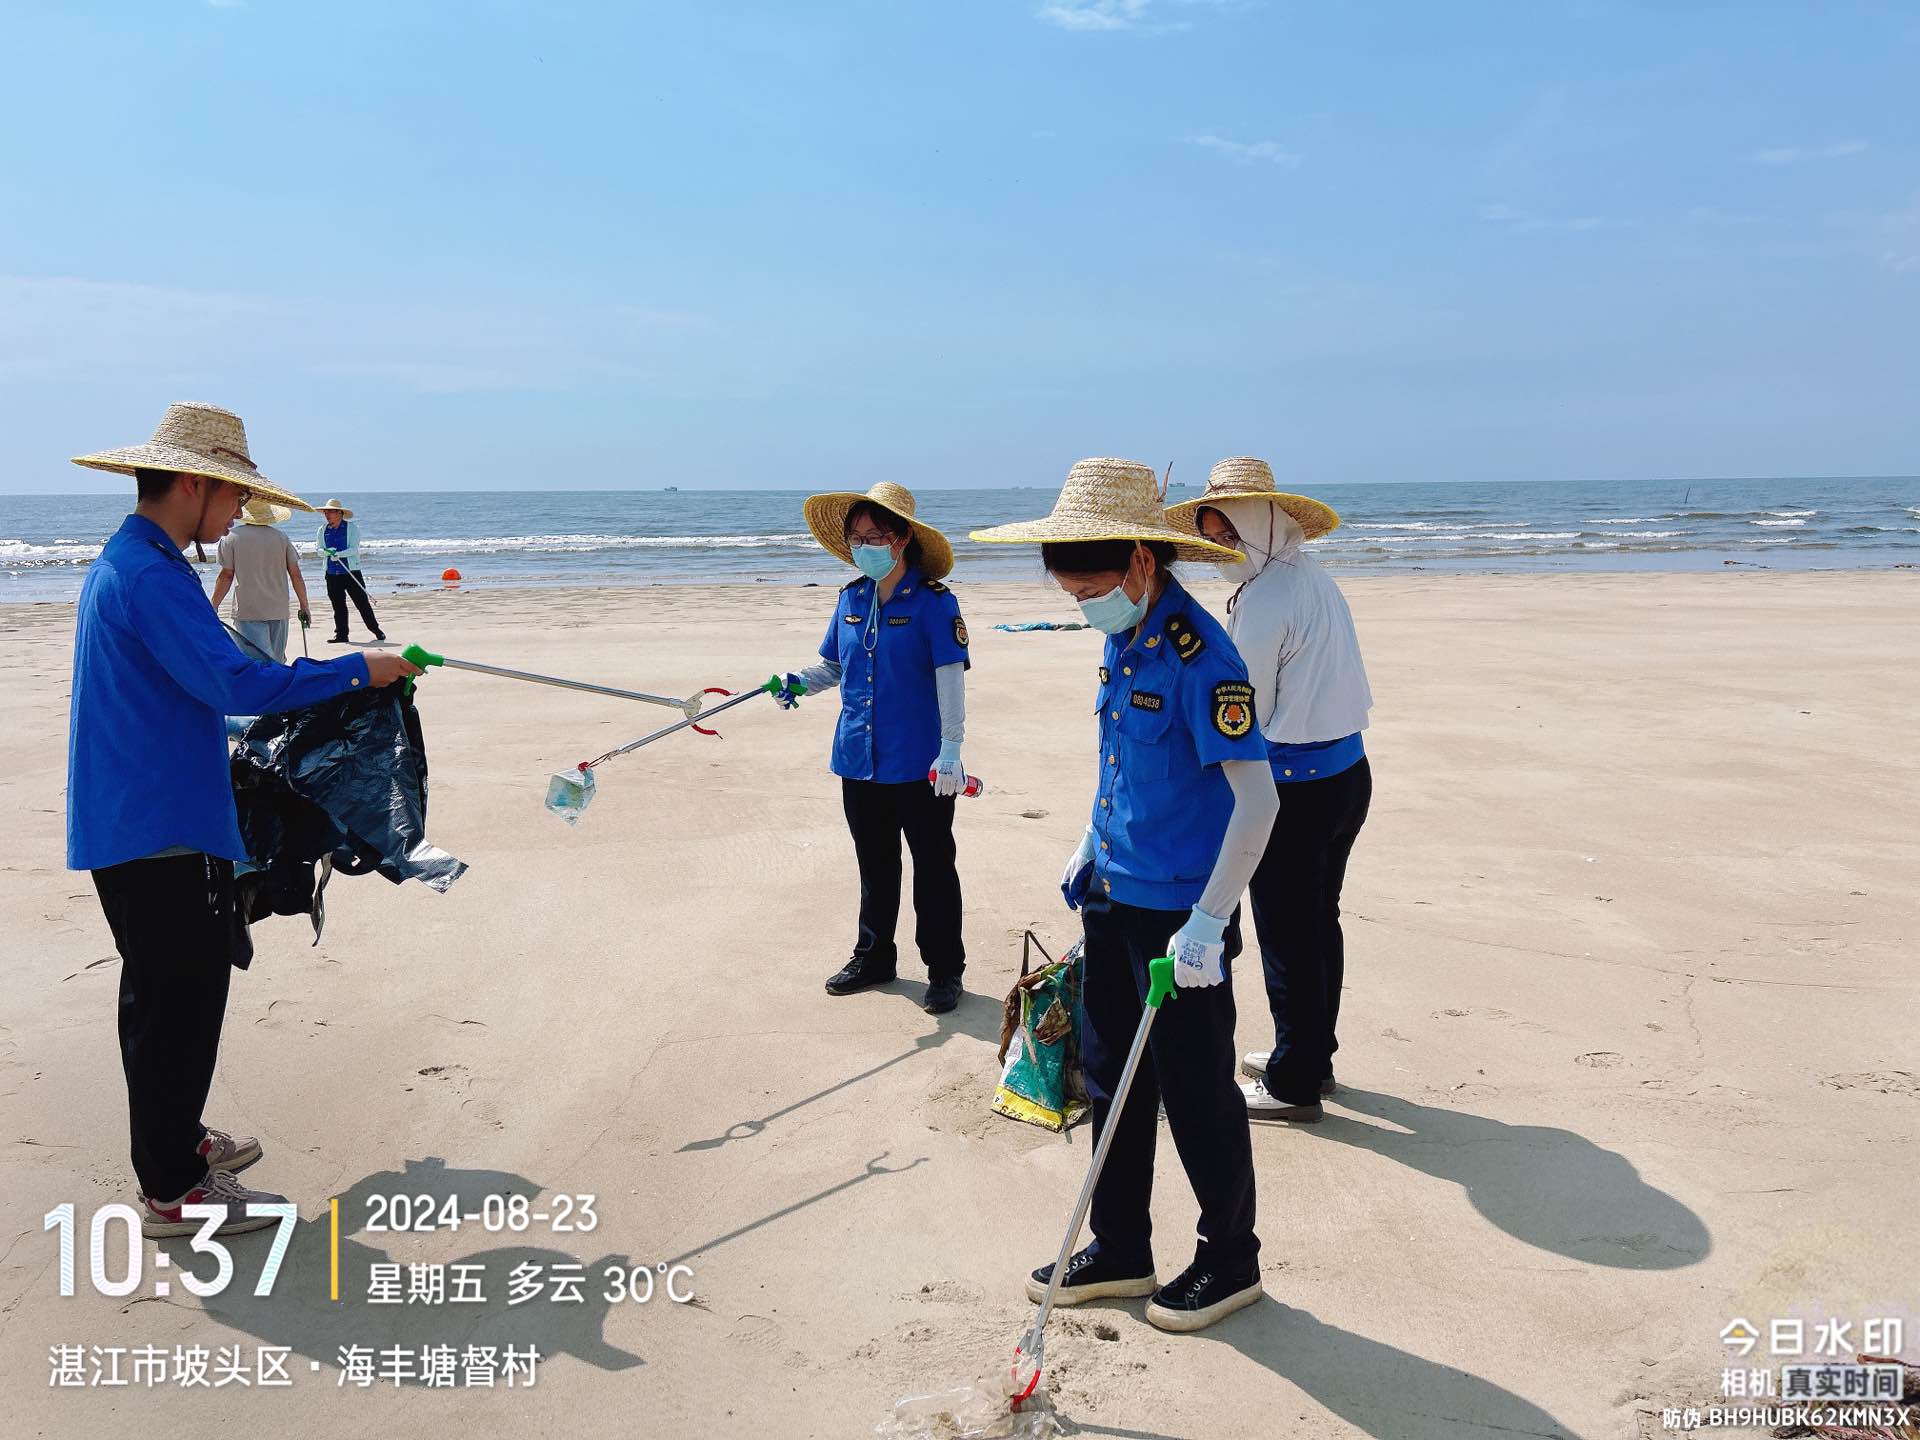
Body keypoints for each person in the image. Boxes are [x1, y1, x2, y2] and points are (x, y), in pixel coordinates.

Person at [67, 404, 420, 1239]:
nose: (237, 514)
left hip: (137, 812)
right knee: (180, 1002)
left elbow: (200, 687)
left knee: (164, 993)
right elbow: (235, 682)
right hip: (160, 826)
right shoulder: (150, 576)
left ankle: (174, 1139)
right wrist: (356, 670)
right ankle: (173, 1189)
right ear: (194, 484)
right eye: (232, 496)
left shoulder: (133, 560)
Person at [970, 457, 1278, 1334]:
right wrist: (1088, 843)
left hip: (1180, 916)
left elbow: (1259, 801)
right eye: (1072, 596)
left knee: (1198, 1091)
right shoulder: (1126, 633)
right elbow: (1126, 767)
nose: (1085, 607)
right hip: (1113, 894)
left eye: (1092, 591)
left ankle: (1230, 1260)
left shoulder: (1201, 657)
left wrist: (1210, 921)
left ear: (1142, 562)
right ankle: (1121, 1247)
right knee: (1113, 1078)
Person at [1168, 458, 1373, 1125]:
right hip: (1348, 777)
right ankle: (1313, 1054)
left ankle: (1294, 1082)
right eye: (1211, 537)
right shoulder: (1307, 575)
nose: (1221, 549)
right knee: (1319, 924)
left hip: (1298, 789)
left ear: (1260, 522)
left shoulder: (1265, 600)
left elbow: (1242, 711)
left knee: (1288, 937)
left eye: (1228, 534)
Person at [767, 483, 972, 1015]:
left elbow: (950, 678)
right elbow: (833, 667)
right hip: (857, 759)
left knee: (934, 867)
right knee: (875, 865)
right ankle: (875, 956)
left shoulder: (935, 603)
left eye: (875, 536)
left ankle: (944, 968)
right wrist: (794, 683)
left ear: (902, 539)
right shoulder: (850, 599)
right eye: (856, 538)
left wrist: (951, 747)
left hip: (922, 764)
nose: (864, 546)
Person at [209, 498, 311, 662]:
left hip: (248, 609)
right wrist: (304, 605)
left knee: (257, 662)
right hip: (278, 609)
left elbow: (226, 575)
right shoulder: (281, 537)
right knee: (277, 661)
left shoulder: (231, 537)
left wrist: (213, 605)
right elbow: (296, 574)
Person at [316, 498, 385, 643]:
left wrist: (339, 554)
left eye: (330, 512)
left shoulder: (352, 528)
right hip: (332, 574)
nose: (327, 515)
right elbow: (319, 550)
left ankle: (376, 630)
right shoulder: (322, 530)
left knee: (362, 603)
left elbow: (354, 549)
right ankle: (341, 635)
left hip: (351, 572)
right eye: (325, 512)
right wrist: (328, 552)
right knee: (338, 606)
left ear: (339, 513)